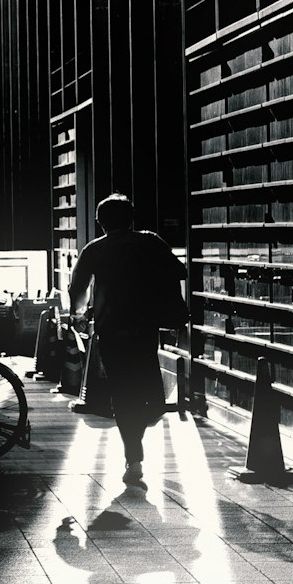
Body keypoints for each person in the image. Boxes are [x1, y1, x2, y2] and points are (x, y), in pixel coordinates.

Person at [68, 194, 186, 485]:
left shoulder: (94, 250)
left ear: (100, 222)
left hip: (110, 331)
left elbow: (77, 287)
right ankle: (136, 450)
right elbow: (178, 271)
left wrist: (79, 314)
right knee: (150, 392)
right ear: (131, 218)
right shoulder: (150, 242)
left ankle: (133, 455)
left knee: (122, 392)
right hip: (143, 329)